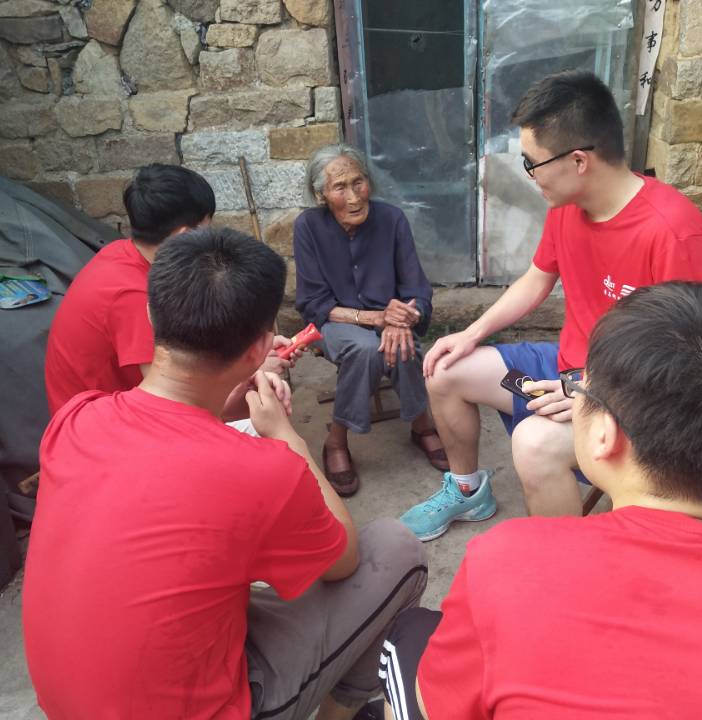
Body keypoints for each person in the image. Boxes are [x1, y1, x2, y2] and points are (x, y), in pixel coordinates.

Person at [23, 227, 428, 720]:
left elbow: (169, 463)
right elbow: (342, 561)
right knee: (396, 548)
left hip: (72, 704)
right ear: (261, 349)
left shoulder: (76, 419)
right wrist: (286, 436)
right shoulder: (263, 470)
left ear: (151, 314)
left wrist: (222, 404)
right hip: (209, 709)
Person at [378, 281, 702, 720]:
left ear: (605, 434)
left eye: (579, 389)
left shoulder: (506, 562)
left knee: (409, 635)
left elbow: (441, 707)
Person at [401, 70, 702, 540]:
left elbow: (687, 359)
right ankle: (468, 491)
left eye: (531, 163)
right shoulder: (566, 206)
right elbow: (536, 280)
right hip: (563, 373)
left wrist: (591, 391)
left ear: (578, 160)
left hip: (634, 398)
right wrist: (471, 333)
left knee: (533, 443)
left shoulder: (673, 233)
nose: (528, 175)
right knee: (444, 368)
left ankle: (569, 563)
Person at [44, 163, 294, 417]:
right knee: (261, 413)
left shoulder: (123, 253)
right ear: (184, 235)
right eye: (207, 228)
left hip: (97, 410)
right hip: (103, 426)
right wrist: (250, 370)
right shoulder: (133, 297)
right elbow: (175, 407)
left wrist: (245, 352)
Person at [294, 144, 447, 497]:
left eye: (358, 182)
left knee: (402, 343)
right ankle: (337, 440)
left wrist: (400, 319)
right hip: (335, 322)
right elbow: (314, 302)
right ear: (321, 195)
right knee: (364, 350)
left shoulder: (392, 219)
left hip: (391, 321)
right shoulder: (308, 227)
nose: (353, 196)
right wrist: (376, 317)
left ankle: (421, 426)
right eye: (340, 187)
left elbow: (417, 290)